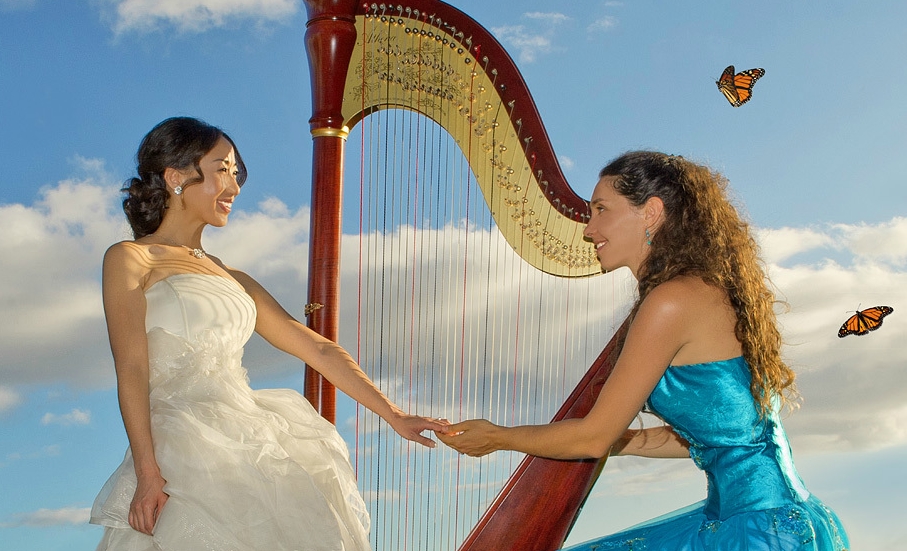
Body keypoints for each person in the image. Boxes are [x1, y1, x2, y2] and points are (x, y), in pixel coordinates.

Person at [437, 151, 849, 550]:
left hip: (756, 533)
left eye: (602, 210)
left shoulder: (671, 302)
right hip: (777, 522)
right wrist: (625, 439)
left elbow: (593, 438)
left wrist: (497, 437)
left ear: (650, 213)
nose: (588, 229)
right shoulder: (702, 291)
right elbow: (719, 437)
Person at [90, 116, 445, 551]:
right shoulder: (131, 259)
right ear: (176, 176)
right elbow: (131, 368)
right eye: (223, 169)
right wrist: (148, 471)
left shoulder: (232, 275)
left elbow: (317, 347)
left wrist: (394, 414)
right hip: (181, 447)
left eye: (236, 174)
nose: (235, 188)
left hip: (253, 441)